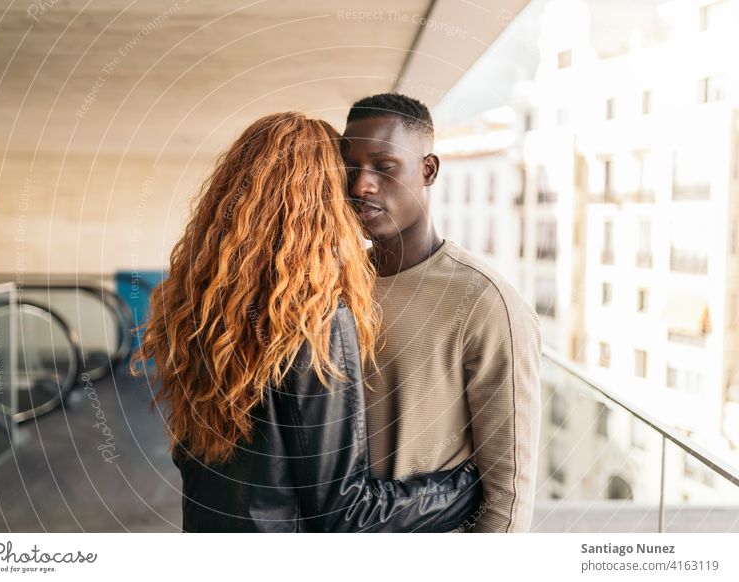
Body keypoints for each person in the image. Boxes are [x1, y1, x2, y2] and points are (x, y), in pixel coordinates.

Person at [129, 111, 482, 532]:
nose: (356, 193)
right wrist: (466, 486)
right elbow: (346, 514)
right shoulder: (316, 319)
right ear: (319, 205)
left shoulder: (198, 302)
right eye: (343, 182)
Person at [341, 93, 542, 533]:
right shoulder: (332, 284)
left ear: (428, 170)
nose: (361, 185)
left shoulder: (485, 301)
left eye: (384, 166)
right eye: (350, 168)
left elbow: (508, 489)